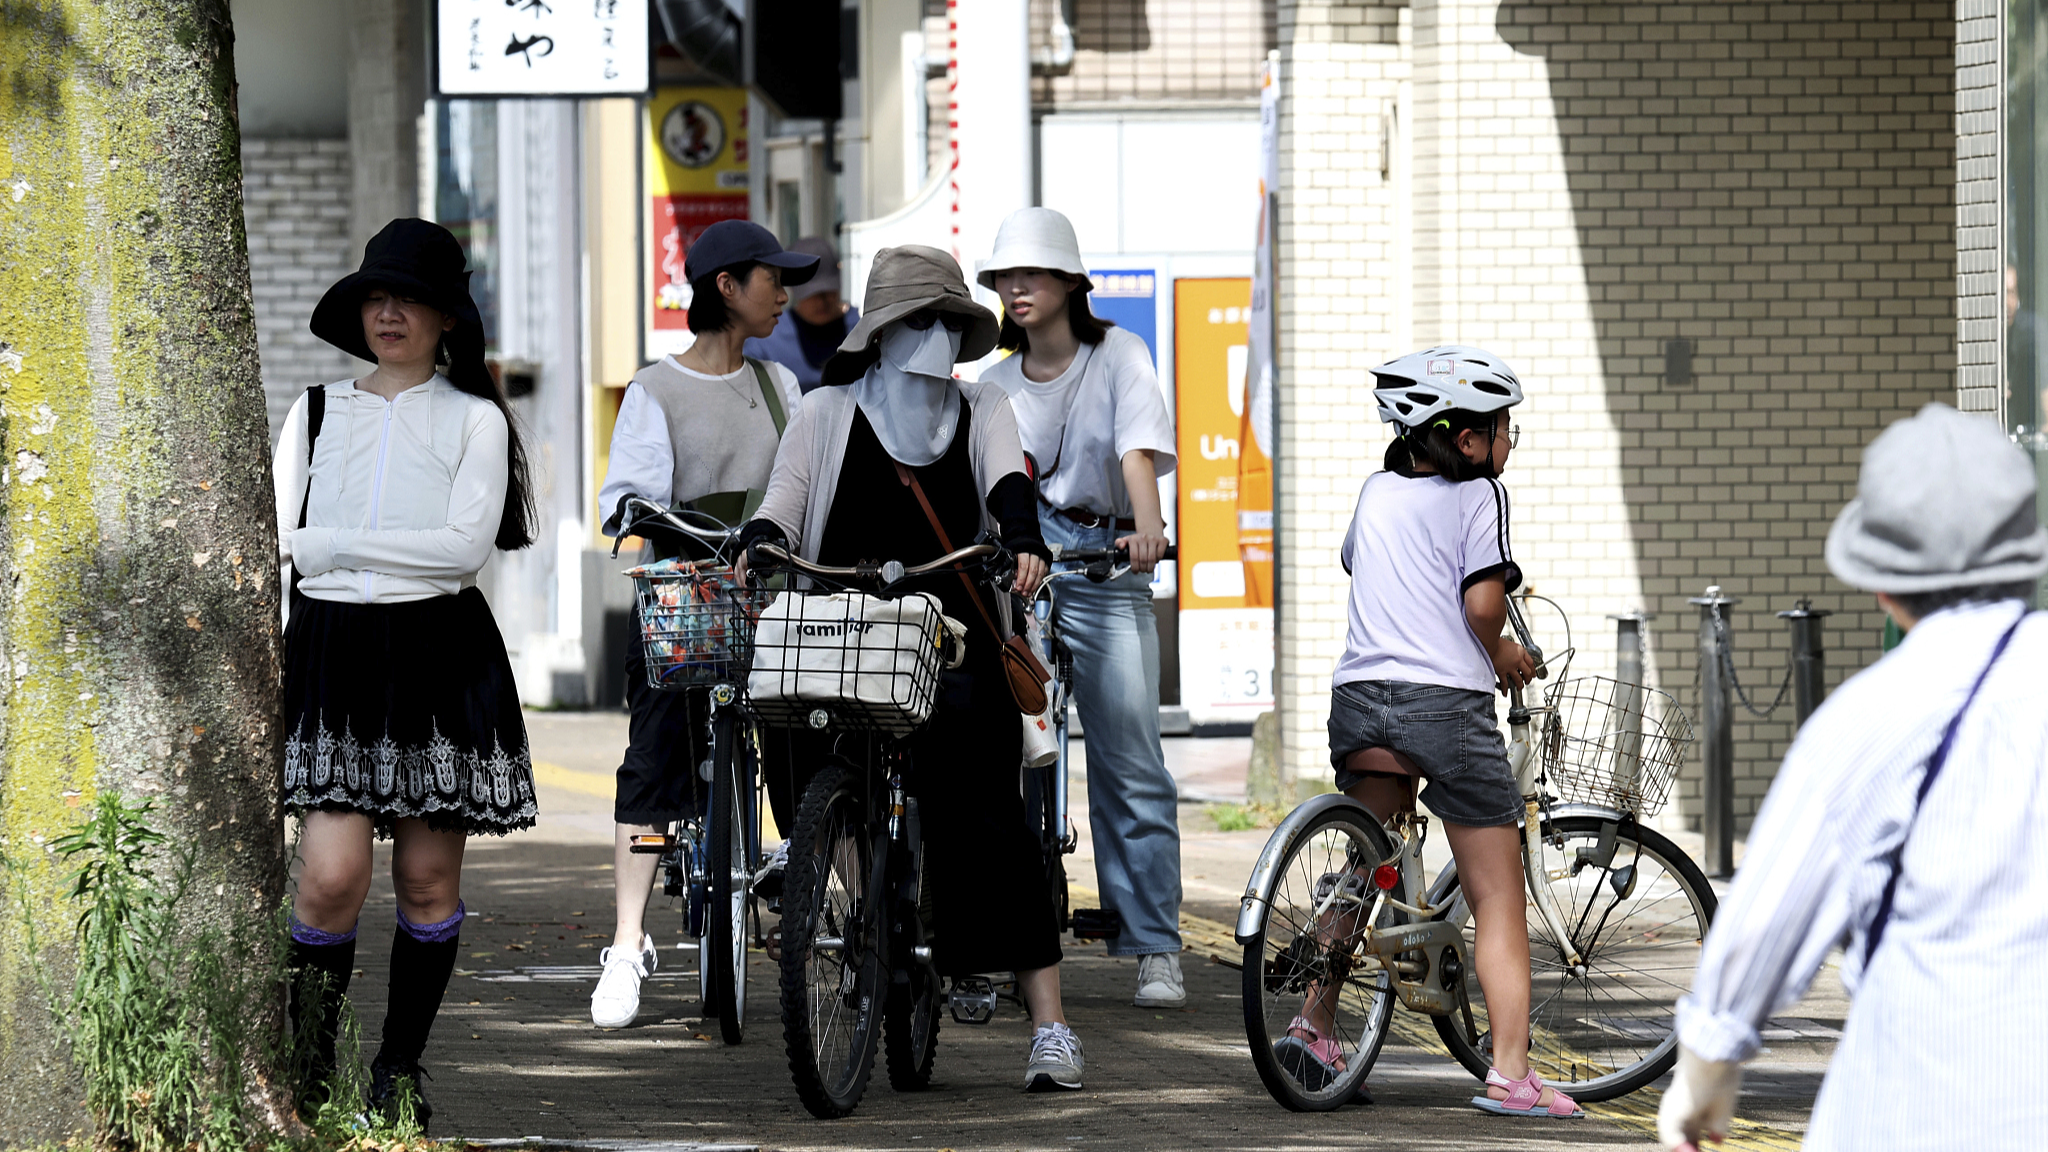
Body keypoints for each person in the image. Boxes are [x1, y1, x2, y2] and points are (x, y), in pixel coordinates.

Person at [736, 244, 1086, 1091]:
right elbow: (783, 499)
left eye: (947, 321)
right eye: (917, 321)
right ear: (882, 335)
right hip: (841, 640)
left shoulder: (985, 406)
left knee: (993, 815)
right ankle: (838, 875)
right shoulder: (824, 412)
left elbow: (1009, 487)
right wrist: (764, 541)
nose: (934, 337)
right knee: (784, 727)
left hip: (954, 642)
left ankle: (1050, 1026)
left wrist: (1024, 537)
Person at [1659, 405, 2048, 1151]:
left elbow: (1765, 922)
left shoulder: (1870, 719)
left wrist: (1706, 1073)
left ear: (1882, 585)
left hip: (1917, 1111)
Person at [276, 218, 538, 1127]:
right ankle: (308, 1076)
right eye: (376, 299)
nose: (389, 314)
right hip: (332, 652)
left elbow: (463, 549)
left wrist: (333, 544)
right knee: (330, 878)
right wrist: (333, 557)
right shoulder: (311, 411)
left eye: (411, 300)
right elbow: (282, 546)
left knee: (428, 885)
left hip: (438, 654)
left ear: (447, 321)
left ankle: (396, 1072)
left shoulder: (476, 421)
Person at [1281, 345, 1578, 1118]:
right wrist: (1507, 653)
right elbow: (1484, 607)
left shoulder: (1375, 490)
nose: (1508, 441)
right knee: (1498, 897)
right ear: (1466, 439)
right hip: (1444, 707)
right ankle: (1511, 1075)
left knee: (1363, 863)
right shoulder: (1482, 496)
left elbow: (1360, 564)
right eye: (1503, 427)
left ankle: (1312, 1027)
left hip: (1359, 698)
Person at [589, 219, 817, 1029]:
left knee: (816, 740)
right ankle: (626, 945)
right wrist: (666, 522)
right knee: (653, 767)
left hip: (774, 603)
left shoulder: (780, 387)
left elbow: (805, 483)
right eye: (771, 279)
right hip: (683, 604)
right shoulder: (656, 388)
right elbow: (628, 496)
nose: (784, 296)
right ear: (727, 286)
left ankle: (818, 888)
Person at [976, 207, 1186, 1008]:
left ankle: (1155, 943)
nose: (1016, 288)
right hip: (1018, 567)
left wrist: (1149, 530)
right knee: (998, 753)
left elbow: (1136, 453)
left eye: (1032, 274)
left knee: (1130, 754)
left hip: (1104, 559)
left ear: (1071, 282)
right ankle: (999, 941)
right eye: (1005, 277)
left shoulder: (1118, 356)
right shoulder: (990, 384)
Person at [743, 235, 860, 394]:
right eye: (812, 294)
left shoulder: (861, 331)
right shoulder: (767, 341)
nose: (822, 302)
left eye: (828, 292)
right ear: (792, 289)